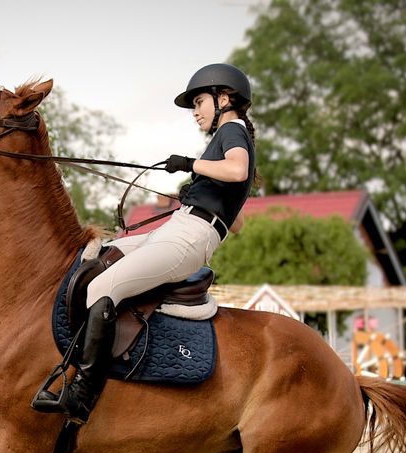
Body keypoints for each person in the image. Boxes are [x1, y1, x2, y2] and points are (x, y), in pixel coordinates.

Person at [32, 63, 259, 424]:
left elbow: (237, 171)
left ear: (225, 98)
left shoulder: (232, 129)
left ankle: (83, 395)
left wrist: (191, 165)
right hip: (180, 225)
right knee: (101, 257)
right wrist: (200, 193)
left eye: (199, 102)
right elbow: (239, 215)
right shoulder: (229, 136)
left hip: (190, 236)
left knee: (104, 287)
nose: (195, 111)